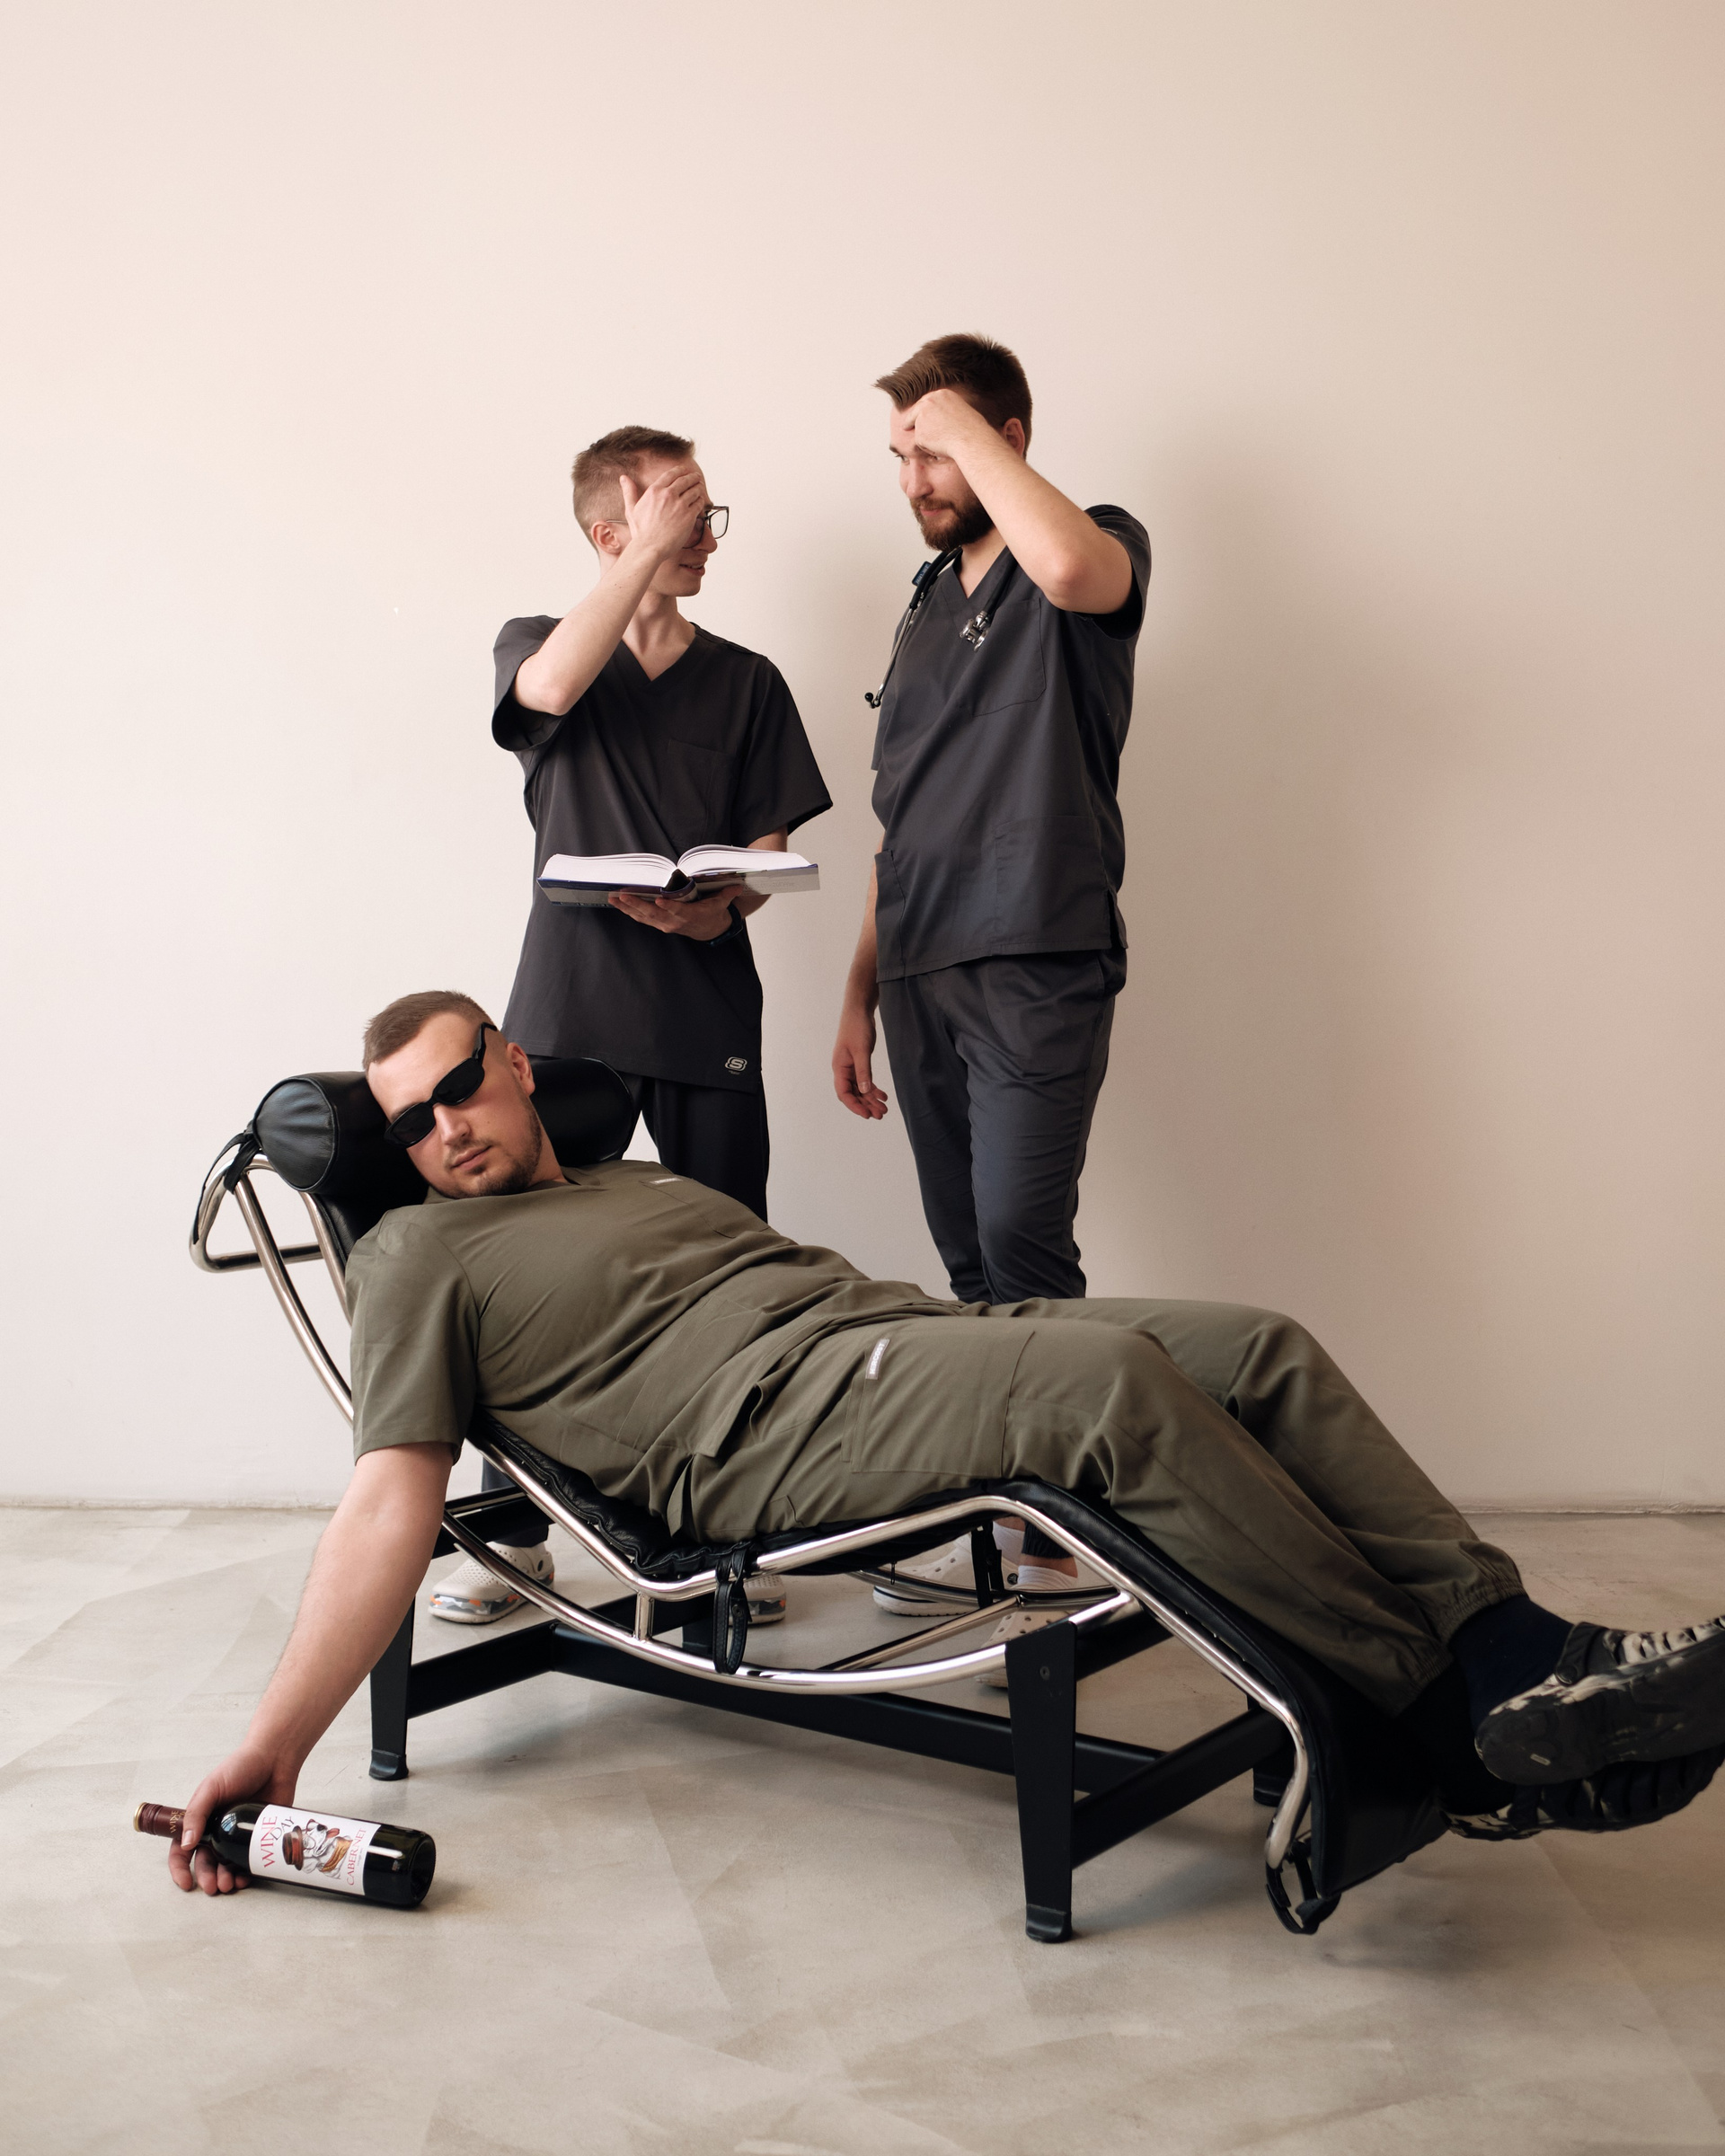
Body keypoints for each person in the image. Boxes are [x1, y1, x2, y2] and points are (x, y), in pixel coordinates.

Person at [168, 994, 1725, 1894]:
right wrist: (276, 1743)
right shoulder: (417, 1258)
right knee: (1106, 1388)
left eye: (457, 1088)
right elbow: (389, 1503)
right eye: (406, 1124)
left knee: (1258, 1345)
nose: (443, 1131)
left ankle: (1518, 1646)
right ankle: (1454, 1727)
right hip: (764, 1434)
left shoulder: (630, 1181)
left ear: (513, 1062)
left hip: (889, 1335)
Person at [431, 427, 830, 1628]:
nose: (705, 536)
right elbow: (549, 693)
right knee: (529, 1275)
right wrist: (638, 563)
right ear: (610, 532)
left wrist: (726, 906)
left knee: (735, 1274)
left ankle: (732, 1543)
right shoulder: (536, 644)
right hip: (569, 1009)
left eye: (710, 515)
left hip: (706, 1004)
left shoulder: (749, 680)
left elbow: (769, 849)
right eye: (678, 514)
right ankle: (513, 1538)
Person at [832, 333, 1149, 1618]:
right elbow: (897, 815)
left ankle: (1066, 1535)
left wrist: (963, 425)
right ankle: (1004, 1514)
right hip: (919, 961)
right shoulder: (921, 605)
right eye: (900, 455)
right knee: (968, 1257)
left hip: (1033, 950)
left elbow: (1072, 568)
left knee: (1024, 1240)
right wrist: (857, 989)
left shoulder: (1089, 542)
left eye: (937, 449)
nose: (915, 477)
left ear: (1006, 436)